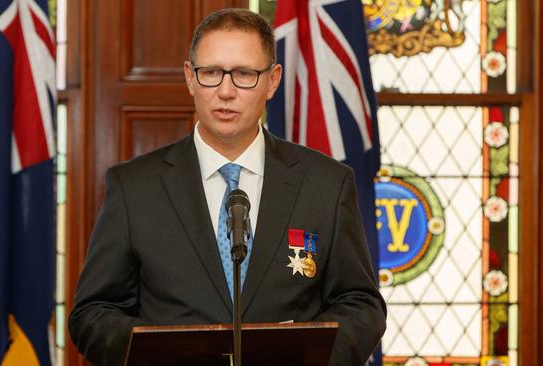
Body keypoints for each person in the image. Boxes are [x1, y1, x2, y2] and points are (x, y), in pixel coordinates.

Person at [68, 8, 386, 366]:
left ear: (273, 80)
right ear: (190, 77)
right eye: (211, 73)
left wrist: (304, 356)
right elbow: (93, 314)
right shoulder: (134, 187)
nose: (225, 91)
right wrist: (159, 354)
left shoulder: (326, 183)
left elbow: (362, 306)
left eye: (244, 74)